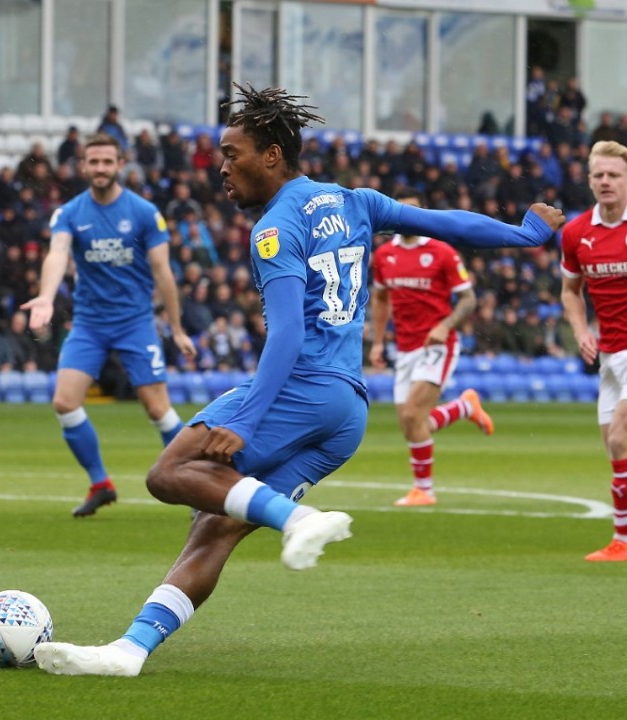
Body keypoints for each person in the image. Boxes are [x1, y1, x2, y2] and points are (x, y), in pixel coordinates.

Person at [32, 84, 564, 677]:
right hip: (346, 412)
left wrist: (247, 420)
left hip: (303, 388)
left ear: (272, 156)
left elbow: (285, 335)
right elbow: (444, 223)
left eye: (231, 155)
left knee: (169, 472)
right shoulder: (354, 201)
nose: (221, 168)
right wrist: (525, 234)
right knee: (217, 525)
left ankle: (300, 520)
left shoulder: (275, 230)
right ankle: (129, 652)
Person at [22, 133, 196, 517]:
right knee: (65, 402)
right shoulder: (69, 213)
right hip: (89, 325)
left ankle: (197, 486)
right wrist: (46, 295)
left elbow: (163, 272)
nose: (100, 168)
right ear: (83, 166)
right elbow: (57, 253)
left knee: (158, 410)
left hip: (135, 323)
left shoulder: (144, 213)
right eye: (94, 162)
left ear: (120, 165)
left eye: (107, 162)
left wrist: (178, 328)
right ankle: (100, 484)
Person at [368, 188, 493, 507]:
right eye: (402, 211)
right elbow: (380, 300)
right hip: (405, 347)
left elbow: (468, 300)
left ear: (422, 214)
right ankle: (464, 407)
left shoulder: (442, 251)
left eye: (414, 211)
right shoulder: (384, 255)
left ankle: (424, 490)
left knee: (413, 414)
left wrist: (445, 325)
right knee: (410, 423)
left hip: (438, 344)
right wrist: (378, 342)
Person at [560, 140, 627, 562]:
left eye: (614, 175)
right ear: (588, 180)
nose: (606, 181)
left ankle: (622, 541)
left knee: (620, 439)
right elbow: (570, 290)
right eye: (599, 175)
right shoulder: (576, 233)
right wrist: (581, 329)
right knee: (615, 450)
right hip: (609, 354)